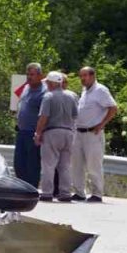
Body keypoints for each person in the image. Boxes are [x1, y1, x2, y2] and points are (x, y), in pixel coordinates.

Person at [68, 66, 118, 202]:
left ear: (93, 76)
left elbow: (113, 108)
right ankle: (79, 192)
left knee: (93, 165)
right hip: (79, 132)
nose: (82, 79)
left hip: (93, 133)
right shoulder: (85, 91)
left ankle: (97, 193)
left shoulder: (100, 90)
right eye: (81, 76)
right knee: (76, 164)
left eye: (85, 76)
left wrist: (102, 124)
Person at [34, 71, 78, 202]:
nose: (46, 84)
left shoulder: (48, 97)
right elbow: (75, 115)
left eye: (48, 82)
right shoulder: (71, 96)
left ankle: (47, 193)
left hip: (52, 132)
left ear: (52, 83)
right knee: (65, 166)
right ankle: (65, 193)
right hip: (68, 132)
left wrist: (38, 133)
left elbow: (44, 117)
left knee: (48, 164)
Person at [13, 63, 46, 188]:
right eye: (27, 74)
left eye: (32, 74)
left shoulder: (44, 93)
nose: (29, 77)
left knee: (32, 164)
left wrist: (39, 133)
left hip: (33, 133)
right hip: (21, 132)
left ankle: (31, 189)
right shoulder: (26, 88)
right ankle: (21, 188)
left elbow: (44, 116)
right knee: (19, 163)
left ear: (40, 75)